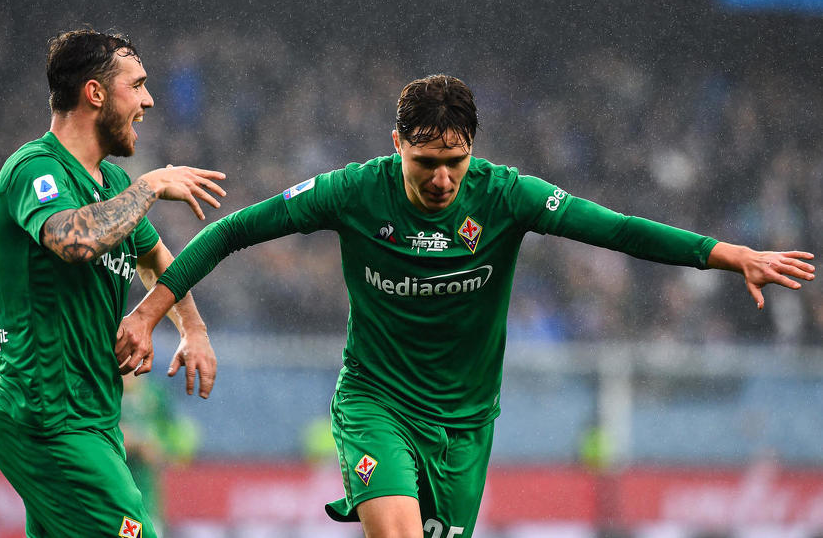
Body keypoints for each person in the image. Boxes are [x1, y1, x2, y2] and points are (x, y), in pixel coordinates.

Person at [115, 74, 814, 538]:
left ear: (473, 148)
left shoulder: (507, 195)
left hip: (464, 420)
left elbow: (620, 230)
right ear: (398, 146)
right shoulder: (353, 190)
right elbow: (236, 229)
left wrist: (727, 254)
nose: (444, 178)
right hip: (375, 401)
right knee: (396, 530)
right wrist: (151, 311)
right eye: (426, 163)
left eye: (456, 160)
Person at [0, 29, 225, 538]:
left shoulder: (112, 184)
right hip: (46, 418)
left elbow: (158, 259)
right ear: (95, 93)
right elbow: (72, 241)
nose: (149, 100)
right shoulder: (35, 168)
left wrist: (192, 328)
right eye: (137, 85)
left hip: (92, 419)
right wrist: (150, 185)